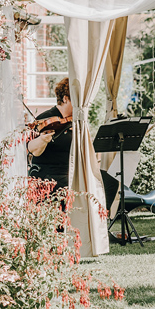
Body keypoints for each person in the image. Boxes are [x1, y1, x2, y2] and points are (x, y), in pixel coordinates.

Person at [28, 78, 119, 210]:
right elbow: (32, 149)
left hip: (71, 171)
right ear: (65, 99)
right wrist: (43, 139)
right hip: (50, 173)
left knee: (110, 181)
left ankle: (100, 220)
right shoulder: (46, 118)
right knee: (73, 185)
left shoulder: (76, 120)